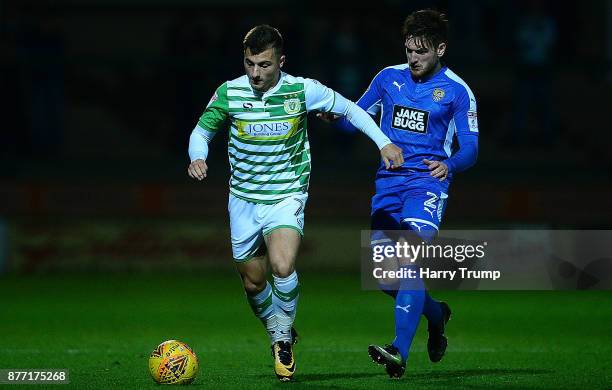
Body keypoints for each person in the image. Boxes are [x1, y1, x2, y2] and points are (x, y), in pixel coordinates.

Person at [186, 25, 403, 382]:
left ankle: (283, 339)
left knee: (282, 265)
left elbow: (351, 109)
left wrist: (383, 143)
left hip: (286, 194)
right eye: (249, 64)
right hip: (242, 199)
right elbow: (202, 130)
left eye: (264, 65)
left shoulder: (303, 90)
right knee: (253, 283)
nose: (255, 73)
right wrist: (198, 156)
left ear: (280, 62)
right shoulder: (229, 92)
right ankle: (276, 330)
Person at [318, 9, 478, 378]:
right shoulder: (388, 78)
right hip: (388, 184)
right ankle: (436, 315)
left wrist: (449, 165)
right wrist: (335, 116)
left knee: (408, 261)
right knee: (385, 277)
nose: (413, 58)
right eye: (409, 50)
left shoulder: (457, 91)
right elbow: (358, 116)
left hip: (426, 185)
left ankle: (398, 352)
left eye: (421, 51)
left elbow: (471, 147)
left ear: (441, 48)